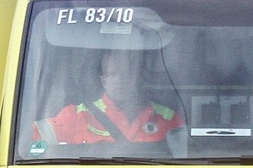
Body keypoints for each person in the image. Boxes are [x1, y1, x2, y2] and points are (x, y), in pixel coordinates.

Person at [34, 48, 184, 144]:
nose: (119, 81)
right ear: (103, 81)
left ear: (139, 78)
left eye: (126, 74)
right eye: (112, 75)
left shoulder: (168, 119)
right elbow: (26, 141)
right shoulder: (78, 115)